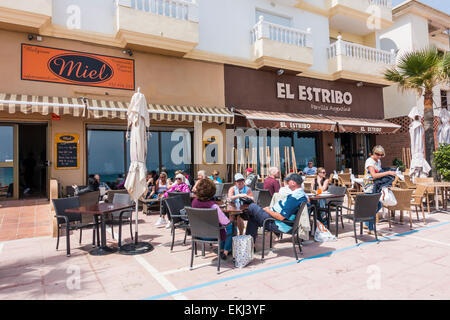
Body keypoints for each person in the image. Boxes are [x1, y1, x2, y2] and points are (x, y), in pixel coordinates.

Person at [245, 173, 308, 246]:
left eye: (288, 182)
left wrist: (268, 210)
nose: (287, 184)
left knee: (252, 206)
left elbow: (281, 217)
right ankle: (250, 246)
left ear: (293, 183)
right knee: (253, 218)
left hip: (278, 224)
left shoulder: (294, 198)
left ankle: (247, 245)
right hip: (279, 221)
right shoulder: (301, 195)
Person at [192, 179, 233, 260]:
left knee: (223, 227)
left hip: (198, 234)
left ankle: (221, 249)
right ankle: (225, 251)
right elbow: (226, 222)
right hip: (213, 235)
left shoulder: (194, 202)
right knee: (231, 226)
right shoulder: (213, 206)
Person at [363, 145, 396, 235]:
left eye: (381, 155)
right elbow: (374, 175)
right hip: (370, 186)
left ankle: (366, 222)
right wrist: (388, 172)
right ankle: (371, 229)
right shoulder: (370, 161)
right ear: (373, 153)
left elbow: (380, 173)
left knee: (378, 205)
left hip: (376, 185)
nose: (379, 156)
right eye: (377, 154)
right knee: (373, 207)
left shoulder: (378, 161)